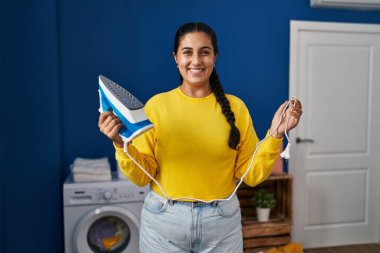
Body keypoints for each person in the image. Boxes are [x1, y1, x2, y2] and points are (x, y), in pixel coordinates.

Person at [98, 22, 302, 253]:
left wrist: (275, 134)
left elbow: (252, 174)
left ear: (215, 57)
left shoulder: (236, 108)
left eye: (204, 52)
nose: (196, 61)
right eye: (187, 52)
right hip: (163, 221)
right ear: (175, 57)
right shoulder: (156, 106)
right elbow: (142, 176)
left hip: (222, 223)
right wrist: (119, 142)